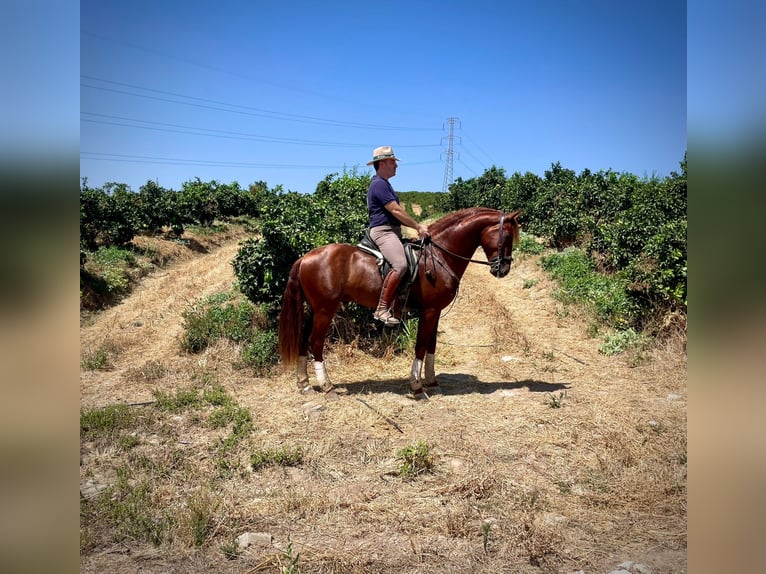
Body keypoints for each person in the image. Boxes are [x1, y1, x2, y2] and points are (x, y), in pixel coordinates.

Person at [366, 146, 430, 326]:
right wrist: (417, 226)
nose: (396, 166)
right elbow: (395, 210)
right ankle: (381, 309)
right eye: (393, 162)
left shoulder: (384, 183)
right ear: (383, 163)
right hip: (384, 232)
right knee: (400, 264)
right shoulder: (379, 184)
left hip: (392, 232)